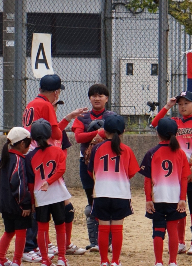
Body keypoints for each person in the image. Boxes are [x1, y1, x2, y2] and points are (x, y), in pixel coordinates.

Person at [22, 74, 87, 263]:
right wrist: (63, 125)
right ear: (56, 92)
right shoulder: (47, 105)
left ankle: (40, 245)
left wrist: (67, 117)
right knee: (40, 204)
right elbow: (56, 132)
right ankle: (30, 247)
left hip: (31, 154)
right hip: (41, 156)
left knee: (38, 202)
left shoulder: (32, 103)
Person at [151, 91, 192, 255]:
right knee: (178, 207)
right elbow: (155, 123)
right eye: (180, 103)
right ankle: (180, 241)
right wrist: (167, 106)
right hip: (175, 173)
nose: (182, 106)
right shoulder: (174, 122)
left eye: (186, 103)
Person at [87, 114, 140, 266]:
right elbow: (131, 172)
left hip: (101, 193)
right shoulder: (127, 149)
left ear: (104, 131)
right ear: (123, 131)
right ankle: (116, 261)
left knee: (103, 229)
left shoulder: (97, 148)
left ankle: (104, 261)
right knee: (117, 229)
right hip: (121, 194)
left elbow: (91, 172)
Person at [139, 118, 191, 266]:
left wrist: (148, 199)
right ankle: (173, 262)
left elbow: (147, 180)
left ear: (158, 133)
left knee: (158, 230)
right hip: (175, 198)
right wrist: (182, 199)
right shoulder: (180, 153)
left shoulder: (152, 152)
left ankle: (158, 262)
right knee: (172, 229)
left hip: (157, 198)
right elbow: (184, 178)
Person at [71, 84, 115, 251]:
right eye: (94, 95)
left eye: (101, 95)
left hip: (108, 164)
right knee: (92, 202)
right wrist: (101, 133)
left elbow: (119, 131)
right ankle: (95, 242)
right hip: (87, 163)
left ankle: (109, 241)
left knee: (107, 200)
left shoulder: (112, 116)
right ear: (89, 98)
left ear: (107, 98)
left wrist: (100, 134)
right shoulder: (82, 117)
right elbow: (79, 137)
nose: (97, 98)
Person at [25, 119, 72, 266]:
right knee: (60, 226)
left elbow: (31, 183)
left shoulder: (30, 156)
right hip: (57, 194)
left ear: (32, 138)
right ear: (49, 134)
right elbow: (61, 169)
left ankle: (45, 259)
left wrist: (32, 202)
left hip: (41, 197)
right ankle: (62, 258)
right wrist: (50, 181)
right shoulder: (57, 150)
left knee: (42, 228)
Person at [53, 100, 86, 256]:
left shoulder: (59, 130)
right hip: (41, 178)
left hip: (56, 177)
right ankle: (41, 245)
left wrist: (59, 167)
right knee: (42, 214)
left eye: (55, 107)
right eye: (51, 106)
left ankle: (65, 244)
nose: (53, 109)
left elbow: (63, 150)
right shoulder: (38, 129)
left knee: (68, 209)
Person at [0, 128, 32, 266]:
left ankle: (1, 258)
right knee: (21, 233)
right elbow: (18, 183)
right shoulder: (19, 160)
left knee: (9, 231)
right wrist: (25, 204)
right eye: (28, 144)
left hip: (5, 204)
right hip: (17, 205)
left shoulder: (4, 159)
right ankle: (16, 261)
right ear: (22, 144)